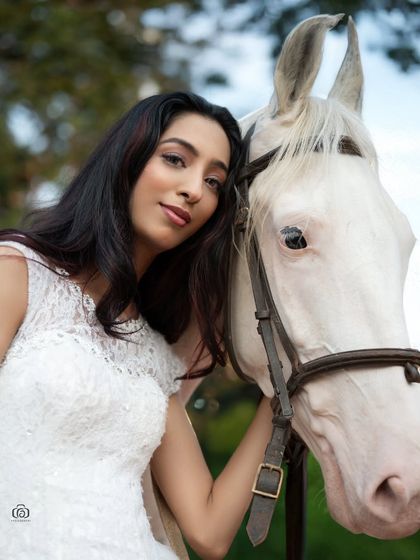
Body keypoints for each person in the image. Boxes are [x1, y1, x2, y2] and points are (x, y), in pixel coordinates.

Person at [0, 91, 274, 560]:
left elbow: (208, 531)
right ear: (125, 159)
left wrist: (280, 394)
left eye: (214, 182)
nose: (195, 190)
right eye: (175, 159)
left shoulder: (152, 353)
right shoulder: (17, 272)